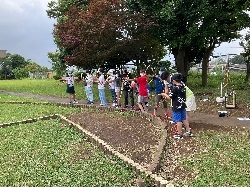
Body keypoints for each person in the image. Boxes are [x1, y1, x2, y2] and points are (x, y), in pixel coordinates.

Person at [161, 73, 192, 139]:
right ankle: (188, 131)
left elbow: (170, 97)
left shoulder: (175, 88)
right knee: (184, 119)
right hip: (183, 106)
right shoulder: (183, 86)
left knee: (178, 121)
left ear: (174, 81)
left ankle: (179, 134)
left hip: (177, 107)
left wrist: (164, 94)